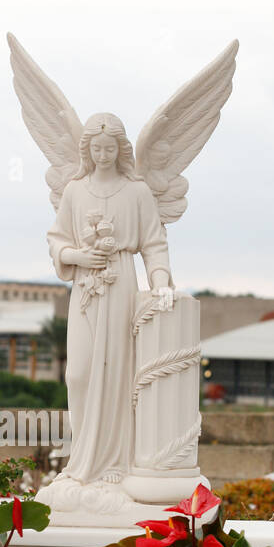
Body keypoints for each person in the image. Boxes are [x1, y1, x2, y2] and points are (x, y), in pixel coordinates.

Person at [47, 114, 172, 488]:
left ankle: (116, 461)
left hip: (120, 285)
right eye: (96, 148)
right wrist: (76, 256)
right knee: (80, 373)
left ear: (121, 149)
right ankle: (83, 457)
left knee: (117, 373)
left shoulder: (136, 192)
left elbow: (154, 243)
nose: (103, 154)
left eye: (109, 148)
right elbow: (56, 239)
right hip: (86, 287)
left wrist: (160, 283)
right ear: (87, 150)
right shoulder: (74, 190)